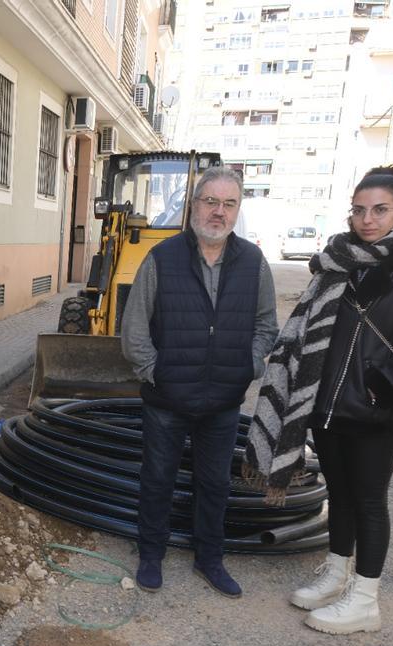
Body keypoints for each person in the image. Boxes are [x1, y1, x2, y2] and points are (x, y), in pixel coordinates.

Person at [244, 165, 393, 634]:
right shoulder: (340, 261)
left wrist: (382, 387)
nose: (367, 219)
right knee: (339, 496)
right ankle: (338, 572)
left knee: (369, 500)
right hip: (326, 403)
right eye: (359, 210)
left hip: (378, 409)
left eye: (380, 209)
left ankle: (364, 598)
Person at [121, 166, 279, 598]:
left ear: (237, 211)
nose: (219, 212)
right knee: (158, 478)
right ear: (194, 205)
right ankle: (150, 554)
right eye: (211, 202)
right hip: (167, 399)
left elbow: (266, 325)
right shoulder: (162, 259)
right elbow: (134, 328)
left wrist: (247, 367)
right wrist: (157, 373)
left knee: (215, 483)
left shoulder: (252, 262)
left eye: (229, 204)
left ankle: (210, 558)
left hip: (223, 402)